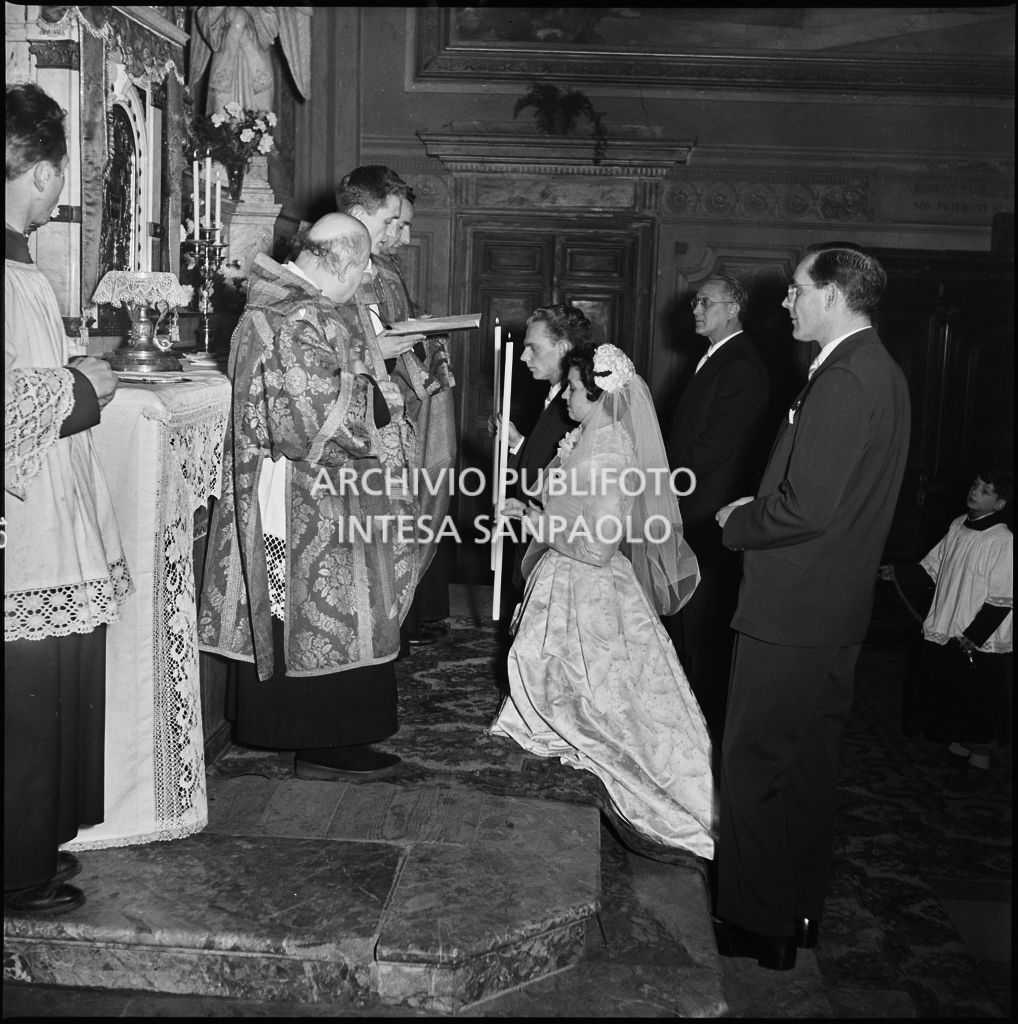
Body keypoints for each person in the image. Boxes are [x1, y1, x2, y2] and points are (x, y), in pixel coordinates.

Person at [713, 246, 910, 970]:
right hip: (831, 608)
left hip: (791, 610)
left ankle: (754, 922)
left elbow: (807, 506)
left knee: (755, 763)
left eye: (798, 290)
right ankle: (796, 913)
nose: (787, 303)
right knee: (805, 768)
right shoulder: (875, 371)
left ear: (833, 295)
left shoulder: (846, 378)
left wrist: (739, 521)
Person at [197, 213, 418, 781]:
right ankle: (323, 742)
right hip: (304, 491)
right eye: (363, 265)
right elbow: (310, 416)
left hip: (325, 487)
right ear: (340, 260)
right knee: (320, 606)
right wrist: (383, 400)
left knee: (342, 604)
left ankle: (334, 736)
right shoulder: (291, 314)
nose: (366, 277)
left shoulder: (298, 305)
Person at [489, 343, 713, 858]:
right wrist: (528, 504)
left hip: (590, 586)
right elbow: (573, 506)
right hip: (564, 580)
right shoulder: (586, 436)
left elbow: (598, 544)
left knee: (606, 708)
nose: (564, 395)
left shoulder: (612, 452)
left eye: (572, 388)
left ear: (599, 393)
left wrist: (535, 523)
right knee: (555, 687)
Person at [5, 82, 133, 915]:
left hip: (40, 514)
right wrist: (86, 385)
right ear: (46, 174)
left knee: (42, 692)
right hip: (27, 527)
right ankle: (17, 872)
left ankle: (31, 854)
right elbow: (17, 408)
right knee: (30, 700)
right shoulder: (12, 277)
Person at [664, 274, 770, 743]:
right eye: (694, 302)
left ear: (733, 308)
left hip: (708, 512)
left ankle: (702, 730)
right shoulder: (715, 358)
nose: (696, 310)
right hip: (691, 505)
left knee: (702, 622)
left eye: (706, 302)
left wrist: (666, 482)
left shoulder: (742, 365)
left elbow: (715, 446)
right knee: (685, 616)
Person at [370, 181, 457, 646]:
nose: (403, 238)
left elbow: (398, 320)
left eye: (405, 226)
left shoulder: (384, 269)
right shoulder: (358, 269)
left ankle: (399, 622)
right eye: (396, 225)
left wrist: (428, 329)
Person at [488, 303, 592, 621]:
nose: (523, 358)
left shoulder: (579, 404)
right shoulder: (555, 396)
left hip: (556, 546)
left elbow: (568, 483)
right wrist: (518, 442)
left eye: (533, 348)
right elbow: (547, 462)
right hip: (534, 534)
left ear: (562, 348)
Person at [917, 468, 1012, 794]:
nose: (976, 491)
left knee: (979, 695)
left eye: (986, 490)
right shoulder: (958, 525)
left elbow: (1004, 595)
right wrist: (899, 573)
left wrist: (977, 632)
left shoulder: (1001, 539)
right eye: (975, 484)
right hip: (953, 622)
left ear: (999, 504)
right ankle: (959, 744)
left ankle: (981, 757)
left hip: (978, 633)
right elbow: (936, 566)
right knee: (953, 688)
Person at [188, 7, 311, 114]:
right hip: (225, 64)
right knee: (221, 120)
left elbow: (269, 34)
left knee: (258, 120)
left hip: (255, 64)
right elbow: (210, 35)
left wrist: (251, 10)